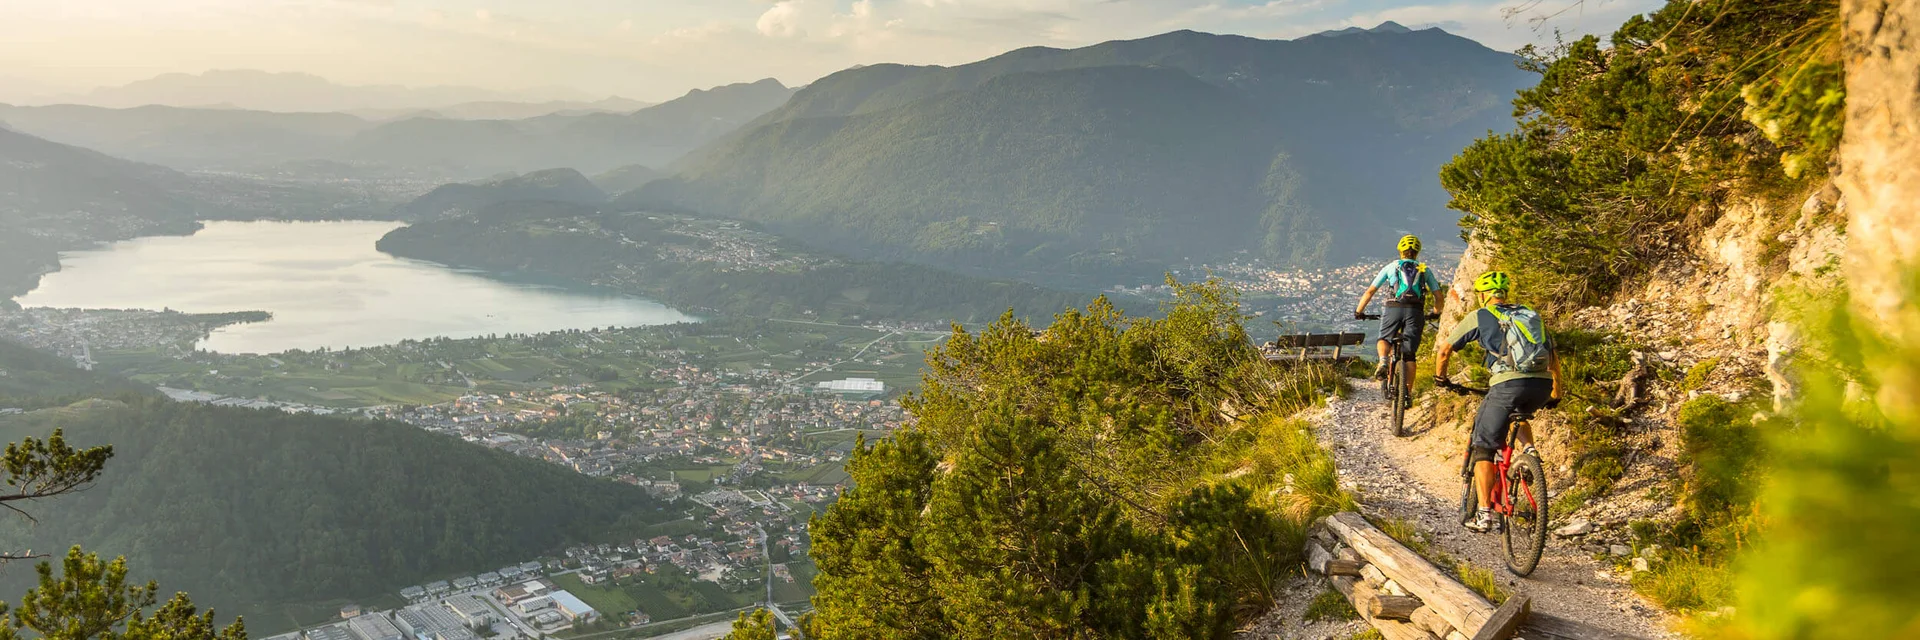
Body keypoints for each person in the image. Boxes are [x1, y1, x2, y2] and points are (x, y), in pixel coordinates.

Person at [1433, 271, 1563, 533]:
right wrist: (1555, 393)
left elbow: (1445, 350)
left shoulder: (1481, 315)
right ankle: (1529, 452)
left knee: (1483, 449)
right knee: (1520, 413)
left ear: (1483, 295)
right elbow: (1553, 356)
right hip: (1541, 384)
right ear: (1505, 293)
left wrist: (1440, 379)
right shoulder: (1529, 314)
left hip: (1506, 384)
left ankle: (1483, 515)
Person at [1353, 235, 1444, 391]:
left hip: (1393, 308)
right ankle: (1407, 394)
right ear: (1417, 252)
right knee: (1409, 355)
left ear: (1400, 251)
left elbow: (1370, 291)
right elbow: (1439, 296)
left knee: (1384, 338)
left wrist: (1359, 311)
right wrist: (1435, 312)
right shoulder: (1423, 269)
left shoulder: (1392, 266)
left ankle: (1382, 361)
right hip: (1415, 311)